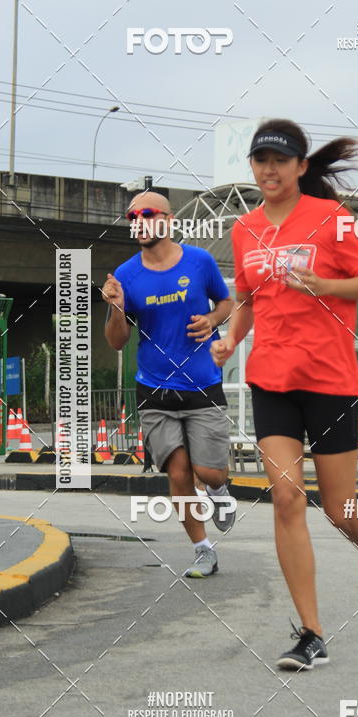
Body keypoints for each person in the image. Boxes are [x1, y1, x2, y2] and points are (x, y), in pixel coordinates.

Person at [211, 119, 358, 669]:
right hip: (271, 380)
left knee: (339, 508)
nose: (269, 169)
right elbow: (248, 298)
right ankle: (311, 633)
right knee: (287, 498)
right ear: (252, 166)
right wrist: (230, 339)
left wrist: (328, 286)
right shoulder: (244, 229)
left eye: (280, 160)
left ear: (300, 167)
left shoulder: (331, 218)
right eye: (260, 160)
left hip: (330, 380)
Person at [103, 190, 235, 578]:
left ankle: (218, 490)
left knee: (208, 472)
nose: (139, 222)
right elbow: (116, 341)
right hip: (155, 388)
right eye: (133, 217)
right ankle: (202, 550)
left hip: (202, 384)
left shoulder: (199, 261)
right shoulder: (126, 275)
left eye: (147, 213)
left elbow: (226, 303)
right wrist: (116, 308)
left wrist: (212, 321)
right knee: (178, 473)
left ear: (168, 219)